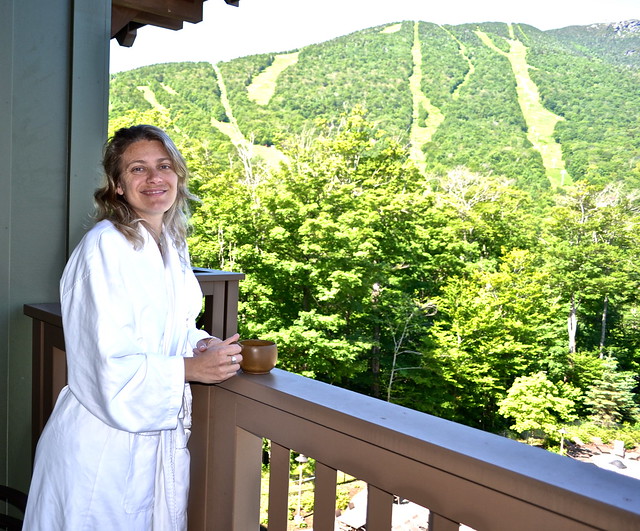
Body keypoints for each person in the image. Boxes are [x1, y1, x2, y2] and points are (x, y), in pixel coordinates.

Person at [23, 125, 242, 530]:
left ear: (178, 174)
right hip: (102, 449)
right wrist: (190, 370)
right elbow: (103, 362)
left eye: (163, 166)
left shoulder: (168, 243)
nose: (155, 178)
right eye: (138, 169)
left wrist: (200, 342)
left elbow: (166, 326)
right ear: (118, 186)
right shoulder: (105, 247)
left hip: (149, 442)